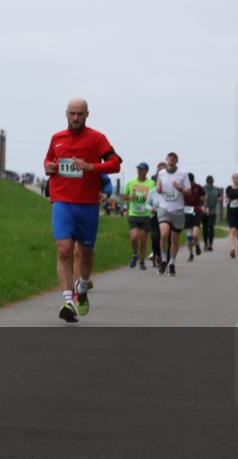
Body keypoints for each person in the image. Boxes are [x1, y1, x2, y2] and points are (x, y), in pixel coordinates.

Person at [43, 98, 122, 322]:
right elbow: (49, 160)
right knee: (64, 249)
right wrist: (48, 167)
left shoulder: (97, 138)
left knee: (85, 253)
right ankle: (68, 300)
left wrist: (91, 167)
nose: (75, 118)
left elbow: (115, 163)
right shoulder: (57, 138)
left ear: (87, 114)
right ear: (66, 114)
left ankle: (83, 285)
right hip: (61, 201)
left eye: (80, 114)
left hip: (87, 203)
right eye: (72, 113)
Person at [154, 152, 191, 276]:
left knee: (174, 240)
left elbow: (188, 192)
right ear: (166, 159)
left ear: (177, 161)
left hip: (178, 210)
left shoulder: (183, 174)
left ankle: (172, 263)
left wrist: (180, 188)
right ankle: (164, 260)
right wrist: (158, 190)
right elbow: (158, 188)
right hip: (164, 208)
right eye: (170, 157)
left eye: (174, 157)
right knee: (164, 234)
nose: (171, 158)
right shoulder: (161, 173)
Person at [123, 162, 154, 270]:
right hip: (133, 214)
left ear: (146, 171)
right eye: (138, 169)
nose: (139, 171)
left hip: (146, 215)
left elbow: (155, 197)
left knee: (143, 240)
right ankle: (135, 254)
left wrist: (149, 198)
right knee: (134, 237)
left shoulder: (151, 183)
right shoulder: (131, 182)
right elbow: (124, 196)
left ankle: (142, 260)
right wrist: (129, 197)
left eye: (142, 169)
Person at [146, 161, 167, 268]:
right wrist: (152, 209)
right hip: (154, 217)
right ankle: (157, 255)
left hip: (167, 217)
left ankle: (165, 256)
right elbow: (147, 204)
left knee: (164, 236)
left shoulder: (170, 190)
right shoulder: (152, 191)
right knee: (155, 237)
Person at [183, 173, 206, 261]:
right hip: (186, 213)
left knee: (195, 234)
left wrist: (204, 206)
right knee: (189, 238)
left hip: (196, 211)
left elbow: (204, 195)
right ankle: (191, 253)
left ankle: (196, 244)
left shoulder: (198, 187)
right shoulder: (183, 188)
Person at [201, 175, 223, 251]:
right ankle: (205, 244)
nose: (210, 184)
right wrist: (203, 199)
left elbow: (220, 197)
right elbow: (199, 197)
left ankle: (210, 244)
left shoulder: (216, 190)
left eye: (211, 182)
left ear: (213, 182)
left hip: (212, 211)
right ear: (206, 182)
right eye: (209, 182)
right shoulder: (203, 189)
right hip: (204, 211)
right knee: (205, 228)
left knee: (211, 227)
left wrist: (219, 199)